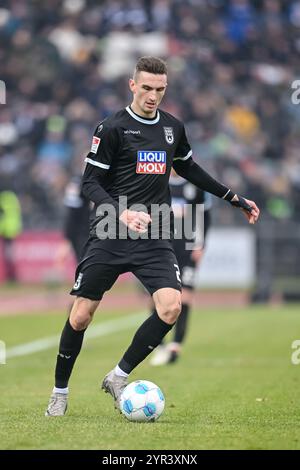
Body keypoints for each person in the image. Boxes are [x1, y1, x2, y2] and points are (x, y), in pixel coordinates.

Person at [45, 56, 260, 416]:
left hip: (155, 231)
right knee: (81, 315)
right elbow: (90, 183)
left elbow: (190, 168)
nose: (152, 96)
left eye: (159, 90)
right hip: (111, 231)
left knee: (171, 306)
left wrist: (234, 199)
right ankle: (60, 392)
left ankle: (118, 375)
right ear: (132, 85)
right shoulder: (111, 128)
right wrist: (121, 211)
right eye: (146, 88)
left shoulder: (173, 128)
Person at [149, 171, 212, 365]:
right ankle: (158, 345)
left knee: (185, 297)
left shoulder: (196, 185)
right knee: (160, 295)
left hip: (188, 248)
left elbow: (205, 216)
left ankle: (175, 346)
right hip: (163, 246)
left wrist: (201, 245)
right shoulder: (157, 182)